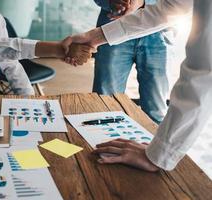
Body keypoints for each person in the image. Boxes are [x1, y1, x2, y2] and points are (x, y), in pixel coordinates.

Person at [63, 0, 205, 172]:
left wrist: (158, 155)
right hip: (114, 25)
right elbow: (174, 5)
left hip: (159, 34)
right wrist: (96, 36)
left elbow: (203, 73)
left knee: (156, 106)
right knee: (105, 102)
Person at [93, 0, 174, 123]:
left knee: (156, 110)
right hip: (112, 29)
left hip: (158, 32)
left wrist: (143, 2)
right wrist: (110, 2)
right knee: (106, 106)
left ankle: (154, 141)